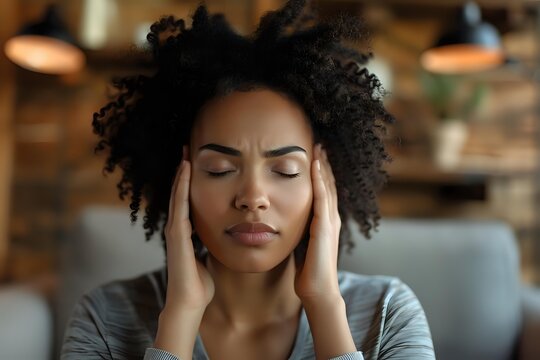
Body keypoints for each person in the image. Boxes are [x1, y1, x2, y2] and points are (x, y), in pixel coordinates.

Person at [61, 0, 435, 359]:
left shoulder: (387, 315)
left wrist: (324, 304)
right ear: (180, 176)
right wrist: (180, 316)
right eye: (220, 170)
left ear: (322, 177)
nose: (253, 197)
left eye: (286, 170)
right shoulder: (105, 317)